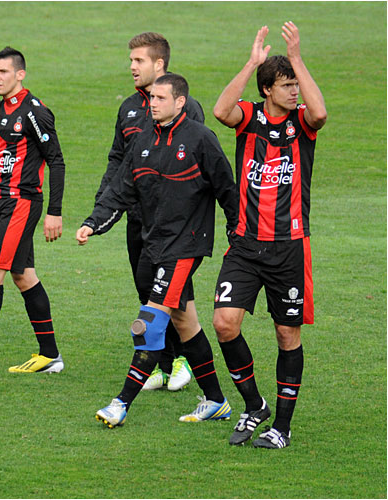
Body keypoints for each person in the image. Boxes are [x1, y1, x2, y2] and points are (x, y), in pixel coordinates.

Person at [76, 74, 238, 428]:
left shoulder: (201, 139)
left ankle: (120, 404)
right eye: (152, 97)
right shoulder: (143, 141)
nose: (153, 103)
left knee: (147, 324)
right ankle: (216, 400)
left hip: (186, 244)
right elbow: (121, 189)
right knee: (185, 322)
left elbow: (227, 188)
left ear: (180, 102)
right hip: (154, 244)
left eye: (161, 98)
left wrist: (238, 232)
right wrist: (94, 222)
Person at [211, 23, 327, 449]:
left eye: (295, 84)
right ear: (266, 90)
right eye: (285, 85)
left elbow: (321, 114)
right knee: (225, 323)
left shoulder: (302, 124)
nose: (294, 91)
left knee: (286, 335)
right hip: (244, 245)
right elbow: (222, 110)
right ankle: (254, 404)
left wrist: (296, 59)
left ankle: (282, 425)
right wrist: (252, 63)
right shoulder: (249, 119)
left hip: (289, 248)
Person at [94, 32, 205, 392]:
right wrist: (101, 206)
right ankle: (162, 362)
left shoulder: (186, 106)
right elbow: (117, 159)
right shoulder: (128, 108)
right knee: (147, 291)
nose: (131, 66)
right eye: (131, 60)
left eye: (138, 61)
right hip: (137, 220)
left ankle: (187, 359)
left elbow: (199, 164)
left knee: (174, 296)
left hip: (174, 227)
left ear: (159, 65)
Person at [0, 47, 66, 373]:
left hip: (23, 203)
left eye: (3, 72)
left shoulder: (35, 112)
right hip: (1, 204)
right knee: (23, 276)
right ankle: (50, 355)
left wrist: (55, 211)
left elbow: (56, 159)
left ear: (20, 74)